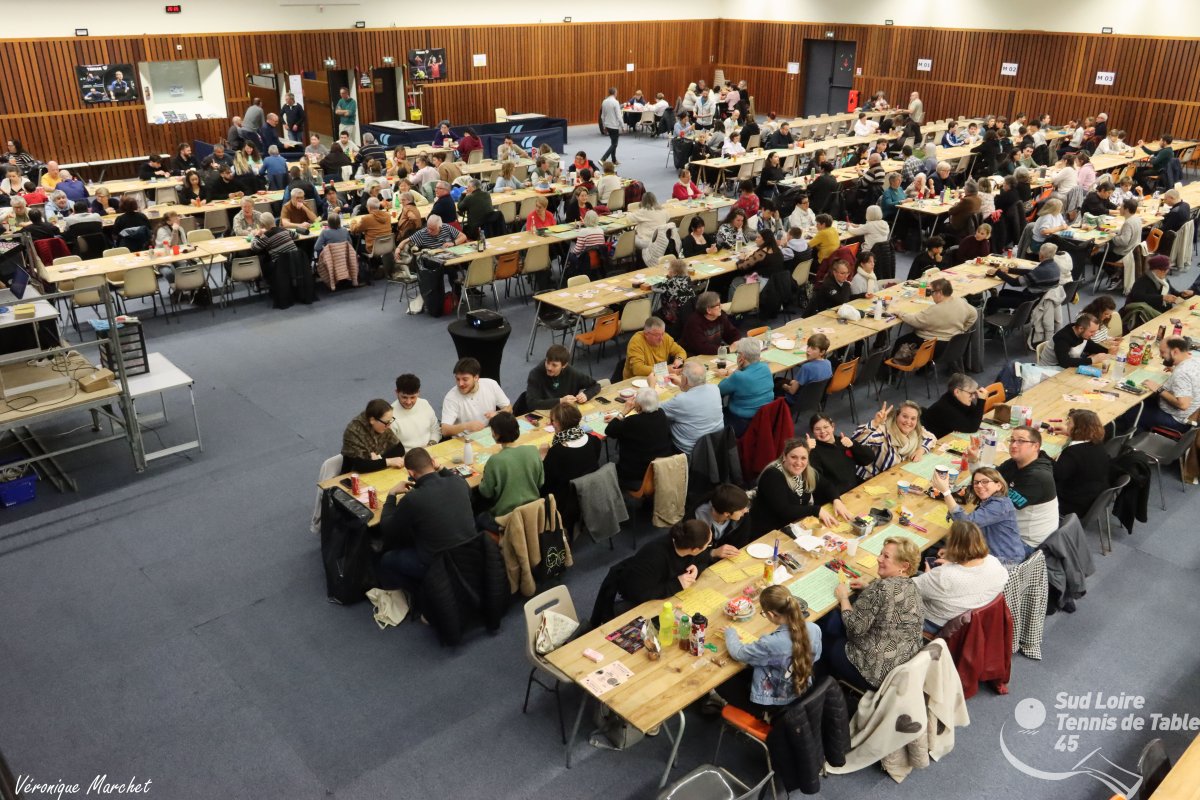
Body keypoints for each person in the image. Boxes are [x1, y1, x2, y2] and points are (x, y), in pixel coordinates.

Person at [821, 536, 924, 692]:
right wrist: (867, 589)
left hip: (873, 673)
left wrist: (843, 598)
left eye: (886, 556)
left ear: (904, 566)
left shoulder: (881, 588)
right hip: (900, 669)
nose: (878, 558)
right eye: (881, 553)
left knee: (822, 633)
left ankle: (822, 685)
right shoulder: (912, 586)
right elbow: (888, 604)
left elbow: (854, 627)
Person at [376, 447, 478, 595]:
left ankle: (419, 596)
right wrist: (441, 468)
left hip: (437, 564)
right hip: (469, 554)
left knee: (387, 559)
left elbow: (388, 529)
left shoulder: (412, 499)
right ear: (433, 462)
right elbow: (466, 489)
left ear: (411, 474)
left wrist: (391, 495)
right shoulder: (458, 481)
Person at [719, 584, 823, 719]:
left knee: (722, 683)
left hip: (774, 699)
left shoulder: (770, 643)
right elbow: (816, 656)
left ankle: (763, 714)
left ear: (771, 614)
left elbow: (737, 653)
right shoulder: (814, 628)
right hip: (802, 687)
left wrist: (730, 633)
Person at [594, 520, 712, 625]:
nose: (708, 547)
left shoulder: (686, 542)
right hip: (639, 598)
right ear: (695, 549)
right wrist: (677, 584)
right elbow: (638, 593)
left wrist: (696, 569)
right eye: (708, 545)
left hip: (666, 596)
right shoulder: (655, 557)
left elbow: (703, 558)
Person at [913, 520, 1010, 632]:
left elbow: (906, 590)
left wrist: (929, 576)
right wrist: (953, 564)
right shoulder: (994, 562)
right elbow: (970, 578)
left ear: (953, 546)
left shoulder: (943, 576)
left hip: (934, 623)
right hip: (969, 624)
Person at [748, 438, 849, 537]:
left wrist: (836, 500)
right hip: (769, 533)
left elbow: (827, 485)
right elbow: (784, 510)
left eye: (803, 458)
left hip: (795, 526)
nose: (799, 462)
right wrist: (816, 510)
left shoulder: (806, 471)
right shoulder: (773, 475)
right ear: (784, 456)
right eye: (794, 457)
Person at [930, 467, 1025, 567]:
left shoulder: (1000, 505)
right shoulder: (992, 501)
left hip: (1005, 561)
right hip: (991, 554)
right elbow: (974, 532)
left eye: (985, 482)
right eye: (976, 482)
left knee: (944, 567)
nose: (979, 485)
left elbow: (965, 524)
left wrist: (946, 492)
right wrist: (955, 550)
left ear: (998, 485)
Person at [994, 425, 1059, 549]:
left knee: (966, 538)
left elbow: (1000, 509)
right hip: (1013, 527)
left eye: (1021, 441)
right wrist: (974, 461)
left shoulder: (1038, 477)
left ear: (1036, 446)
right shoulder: (1016, 462)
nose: (1013, 445)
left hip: (1025, 542)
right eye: (1012, 440)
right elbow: (990, 478)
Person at [540, 402, 603, 516]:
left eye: (552, 421)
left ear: (559, 423)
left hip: (566, 502)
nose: (551, 424)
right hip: (591, 491)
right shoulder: (594, 440)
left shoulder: (557, 452)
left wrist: (543, 458)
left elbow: (545, 483)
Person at [1048, 409, 1112, 519]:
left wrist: (1040, 453)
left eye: (1069, 423)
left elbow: (1056, 474)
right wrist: (1070, 433)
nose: (1067, 424)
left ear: (1078, 429)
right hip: (1091, 497)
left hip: (1070, 504)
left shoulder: (1073, 453)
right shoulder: (1098, 444)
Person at [478, 412, 543, 519]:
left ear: (496, 434)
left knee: (479, 516)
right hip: (533, 512)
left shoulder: (495, 461)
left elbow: (486, 492)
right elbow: (540, 482)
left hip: (507, 517)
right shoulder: (533, 451)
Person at [606, 387, 675, 489]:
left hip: (637, 474)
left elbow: (609, 431)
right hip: (661, 467)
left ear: (638, 405)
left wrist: (623, 412)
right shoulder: (661, 413)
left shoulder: (632, 422)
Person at [1128, 337, 1200, 434]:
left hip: (1177, 420)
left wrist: (1159, 389)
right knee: (1142, 401)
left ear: (1175, 352)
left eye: (1163, 352)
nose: (1161, 356)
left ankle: (1138, 439)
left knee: (1130, 413)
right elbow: (1190, 379)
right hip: (1191, 415)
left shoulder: (1181, 373)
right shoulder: (1195, 360)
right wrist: (1174, 370)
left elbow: (1183, 405)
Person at [852, 401, 936, 480]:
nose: (908, 422)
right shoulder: (884, 431)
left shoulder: (915, 431)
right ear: (897, 416)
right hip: (869, 479)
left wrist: (921, 450)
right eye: (905, 416)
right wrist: (875, 423)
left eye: (913, 418)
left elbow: (931, 438)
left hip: (894, 476)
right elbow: (856, 442)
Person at [660, 360, 724, 455]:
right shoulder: (715, 388)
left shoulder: (681, 400)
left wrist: (651, 386)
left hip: (689, 452)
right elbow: (696, 395)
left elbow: (653, 409)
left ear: (685, 379)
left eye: (681, 375)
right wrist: (681, 384)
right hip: (715, 445)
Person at [804, 413, 874, 496]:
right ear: (813, 432)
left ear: (833, 426)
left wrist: (853, 445)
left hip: (854, 488)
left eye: (826, 427)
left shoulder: (842, 441)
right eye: (817, 429)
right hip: (835, 496)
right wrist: (806, 452)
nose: (822, 431)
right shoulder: (813, 451)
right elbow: (815, 480)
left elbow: (868, 459)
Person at [440, 357, 511, 437]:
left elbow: (509, 408)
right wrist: (466, 426)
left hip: (490, 433)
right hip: (465, 438)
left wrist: (498, 414)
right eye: (457, 379)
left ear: (476, 378)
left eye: (465, 379)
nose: (460, 384)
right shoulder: (451, 398)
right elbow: (445, 430)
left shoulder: (491, 384)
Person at [717, 338, 775, 435]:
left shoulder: (738, 376)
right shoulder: (765, 367)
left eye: (737, 353)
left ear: (742, 356)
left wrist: (737, 370)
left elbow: (719, 389)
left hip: (741, 422)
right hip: (764, 418)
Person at [523, 345, 601, 412]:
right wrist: (560, 401)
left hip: (564, 414)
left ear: (564, 365)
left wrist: (586, 395)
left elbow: (596, 385)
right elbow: (532, 403)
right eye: (547, 362)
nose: (549, 367)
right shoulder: (535, 374)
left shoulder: (571, 372)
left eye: (554, 365)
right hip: (544, 413)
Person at [340, 398, 405, 473]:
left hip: (377, 471)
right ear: (372, 420)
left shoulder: (382, 425)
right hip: (353, 475)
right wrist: (388, 461)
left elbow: (400, 449)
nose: (389, 426)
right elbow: (361, 466)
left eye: (390, 421)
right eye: (387, 422)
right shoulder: (353, 432)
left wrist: (379, 457)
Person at [692, 484, 753, 557]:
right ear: (726, 513)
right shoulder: (695, 522)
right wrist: (713, 553)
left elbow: (742, 544)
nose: (746, 510)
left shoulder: (742, 517)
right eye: (741, 509)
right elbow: (690, 554)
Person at [923, 373, 989, 439]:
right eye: (971, 393)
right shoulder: (945, 408)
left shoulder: (958, 398)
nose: (974, 397)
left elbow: (974, 414)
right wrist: (981, 401)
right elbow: (972, 427)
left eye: (974, 393)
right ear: (957, 392)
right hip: (933, 441)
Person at [780, 334, 833, 409]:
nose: (808, 350)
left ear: (822, 352)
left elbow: (792, 391)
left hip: (797, 400)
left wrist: (784, 386)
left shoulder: (806, 368)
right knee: (790, 381)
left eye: (813, 348)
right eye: (808, 346)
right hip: (815, 398)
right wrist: (794, 382)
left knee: (778, 382)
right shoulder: (828, 363)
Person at [1038, 313, 1111, 368]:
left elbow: (1089, 345)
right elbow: (1064, 362)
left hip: (1063, 368)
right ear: (1081, 329)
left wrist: (1108, 350)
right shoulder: (1062, 338)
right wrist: (1092, 360)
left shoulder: (1081, 333)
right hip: (1049, 369)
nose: (1094, 335)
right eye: (1092, 332)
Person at [680, 292, 742, 356]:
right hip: (693, 356)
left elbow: (732, 333)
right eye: (718, 305)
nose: (721, 306)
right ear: (709, 310)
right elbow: (702, 347)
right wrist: (728, 349)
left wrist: (738, 343)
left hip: (713, 353)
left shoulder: (720, 316)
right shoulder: (694, 322)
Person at [1127, 254, 1193, 313]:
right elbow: (1138, 297)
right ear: (1159, 271)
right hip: (1147, 314)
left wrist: (1182, 294)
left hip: (1162, 311)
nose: (1167, 272)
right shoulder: (1142, 281)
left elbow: (1173, 292)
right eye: (1166, 270)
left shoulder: (1164, 280)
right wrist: (1162, 298)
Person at [599, 87, 622, 164]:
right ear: (615, 93)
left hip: (607, 125)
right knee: (614, 144)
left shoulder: (604, 101)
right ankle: (603, 159)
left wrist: (604, 126)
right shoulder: (616, 102)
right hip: (614, 126)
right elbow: (619, 116)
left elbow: (602, 116)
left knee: (613, 143)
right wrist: (622, 126)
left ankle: (614, 160)